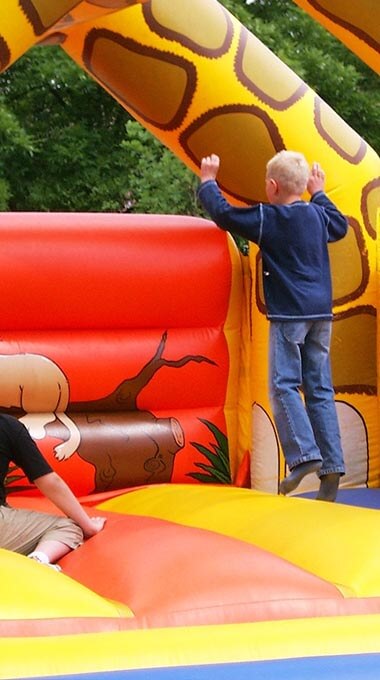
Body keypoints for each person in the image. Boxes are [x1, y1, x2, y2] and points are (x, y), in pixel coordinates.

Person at [198, 150, 348, 502]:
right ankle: (332, 470)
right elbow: (339, 225)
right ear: (303, 186)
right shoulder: (317, 215)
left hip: (289, 316)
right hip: (320, 316)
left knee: (283, 386)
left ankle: (304, 456)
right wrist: (321, 192)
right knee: (320, 390)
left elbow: (224, 214)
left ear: (272, 186)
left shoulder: (269, 218)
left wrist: (208, 182)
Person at [0, 413, 106, 570]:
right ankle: (38, 560)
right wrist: (88, 526)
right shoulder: (7, 426)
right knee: (67, 526)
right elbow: (48, 480)